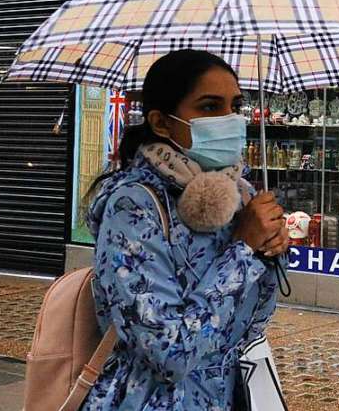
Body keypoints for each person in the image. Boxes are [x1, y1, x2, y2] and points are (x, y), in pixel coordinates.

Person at [83, 49, 289, 411]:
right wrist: (242, 252)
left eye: (235, 105)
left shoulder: (238, 198)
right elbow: (168, 353)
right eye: (210, 107)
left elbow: (251, 326)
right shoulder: (133, 205)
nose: (229, 120)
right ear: (162, 123)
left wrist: (270, 250)